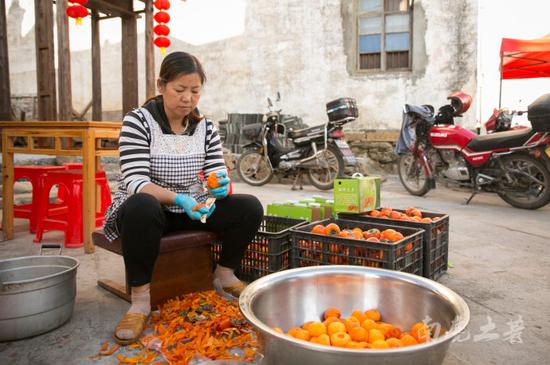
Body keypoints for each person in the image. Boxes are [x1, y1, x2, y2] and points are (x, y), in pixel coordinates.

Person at [102, 51, 264, 345]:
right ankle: (140, 300)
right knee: (141, 205)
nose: (187, 98)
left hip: (192, 208)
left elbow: (215, 170)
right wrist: (179, 198)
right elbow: (136, 182)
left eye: (195, 91)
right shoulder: (138, 122)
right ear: (161, 85)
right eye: (179, 89)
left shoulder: (205, 127)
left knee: (249, 207)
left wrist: (221, 186)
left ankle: (225, 275)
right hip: (149, 213)